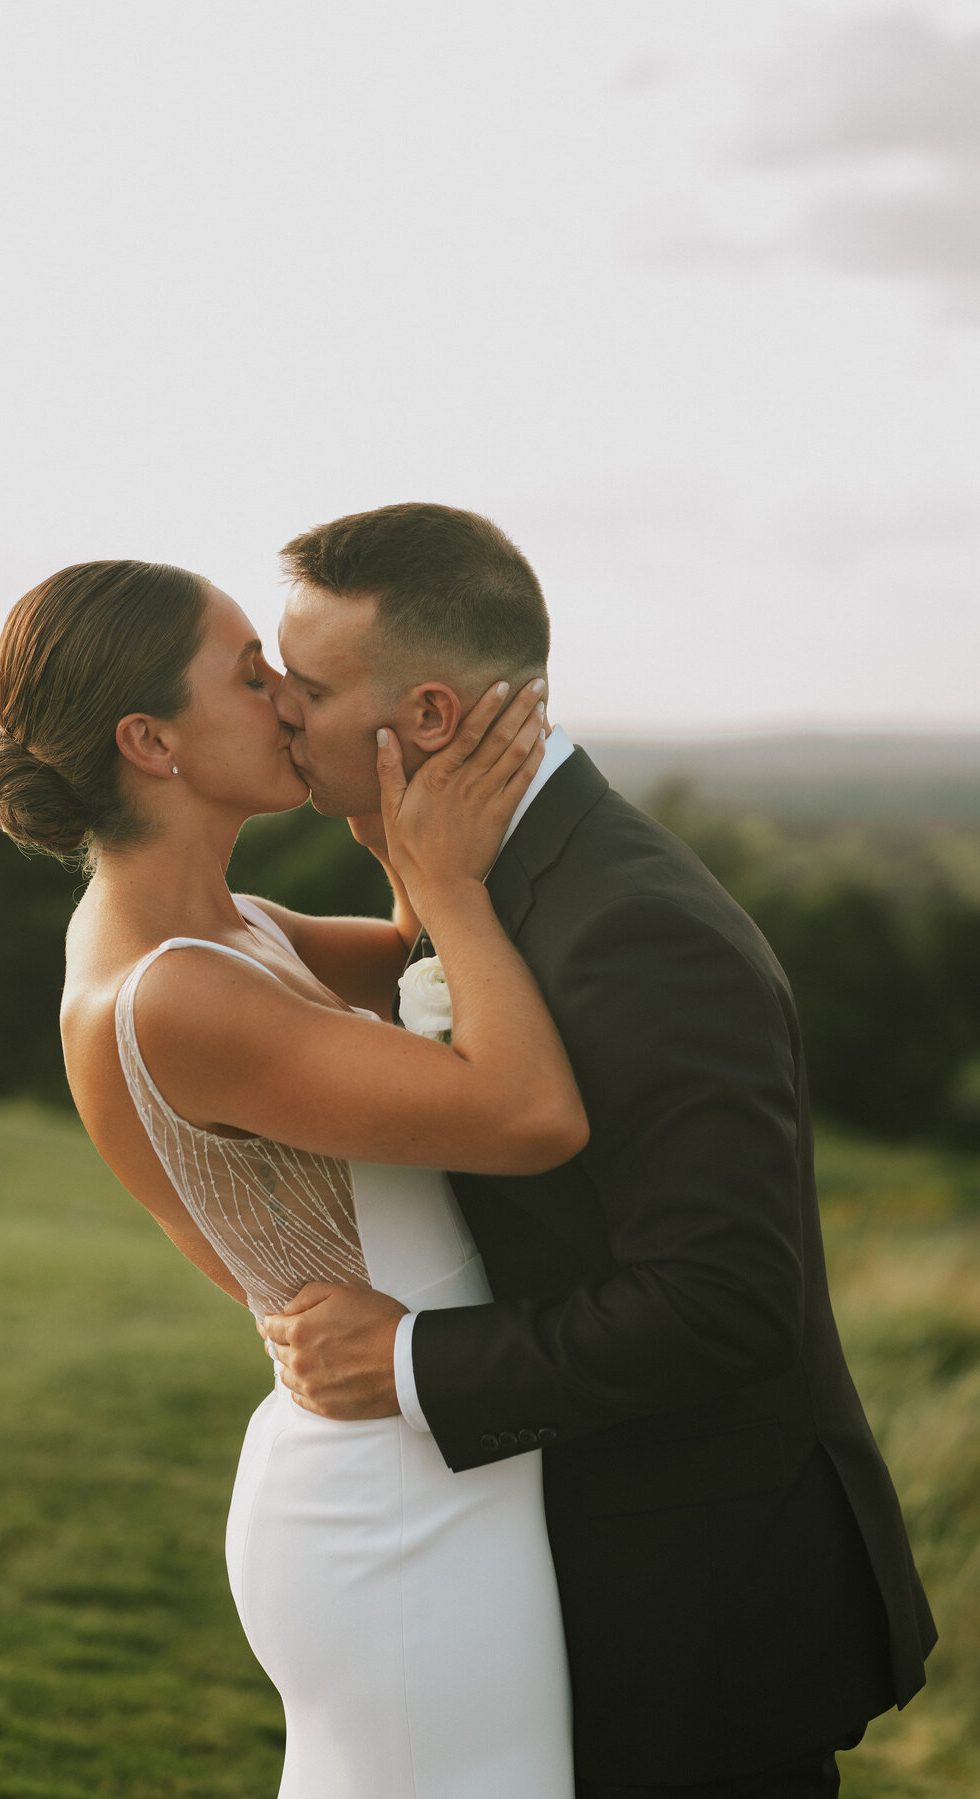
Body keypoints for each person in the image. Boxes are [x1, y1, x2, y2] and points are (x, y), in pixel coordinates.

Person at [261, 501, 937, 1799]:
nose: (285, 706)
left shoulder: (631, 925)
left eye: (312, 682)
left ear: (436, 718)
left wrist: (402, 1357)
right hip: (580, 1563)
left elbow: (726, 1301)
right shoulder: (485, 870)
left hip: (698, 1604)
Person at [0, 557, 590, 1799]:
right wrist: (450, 872)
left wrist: (389, 823)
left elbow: (441, 968)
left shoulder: (234, 924)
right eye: (251, 674)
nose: (290, 698)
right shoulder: (173, 987)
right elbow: (527, 1110)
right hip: (394, 1503)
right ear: (151, 739)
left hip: (431, 1448)